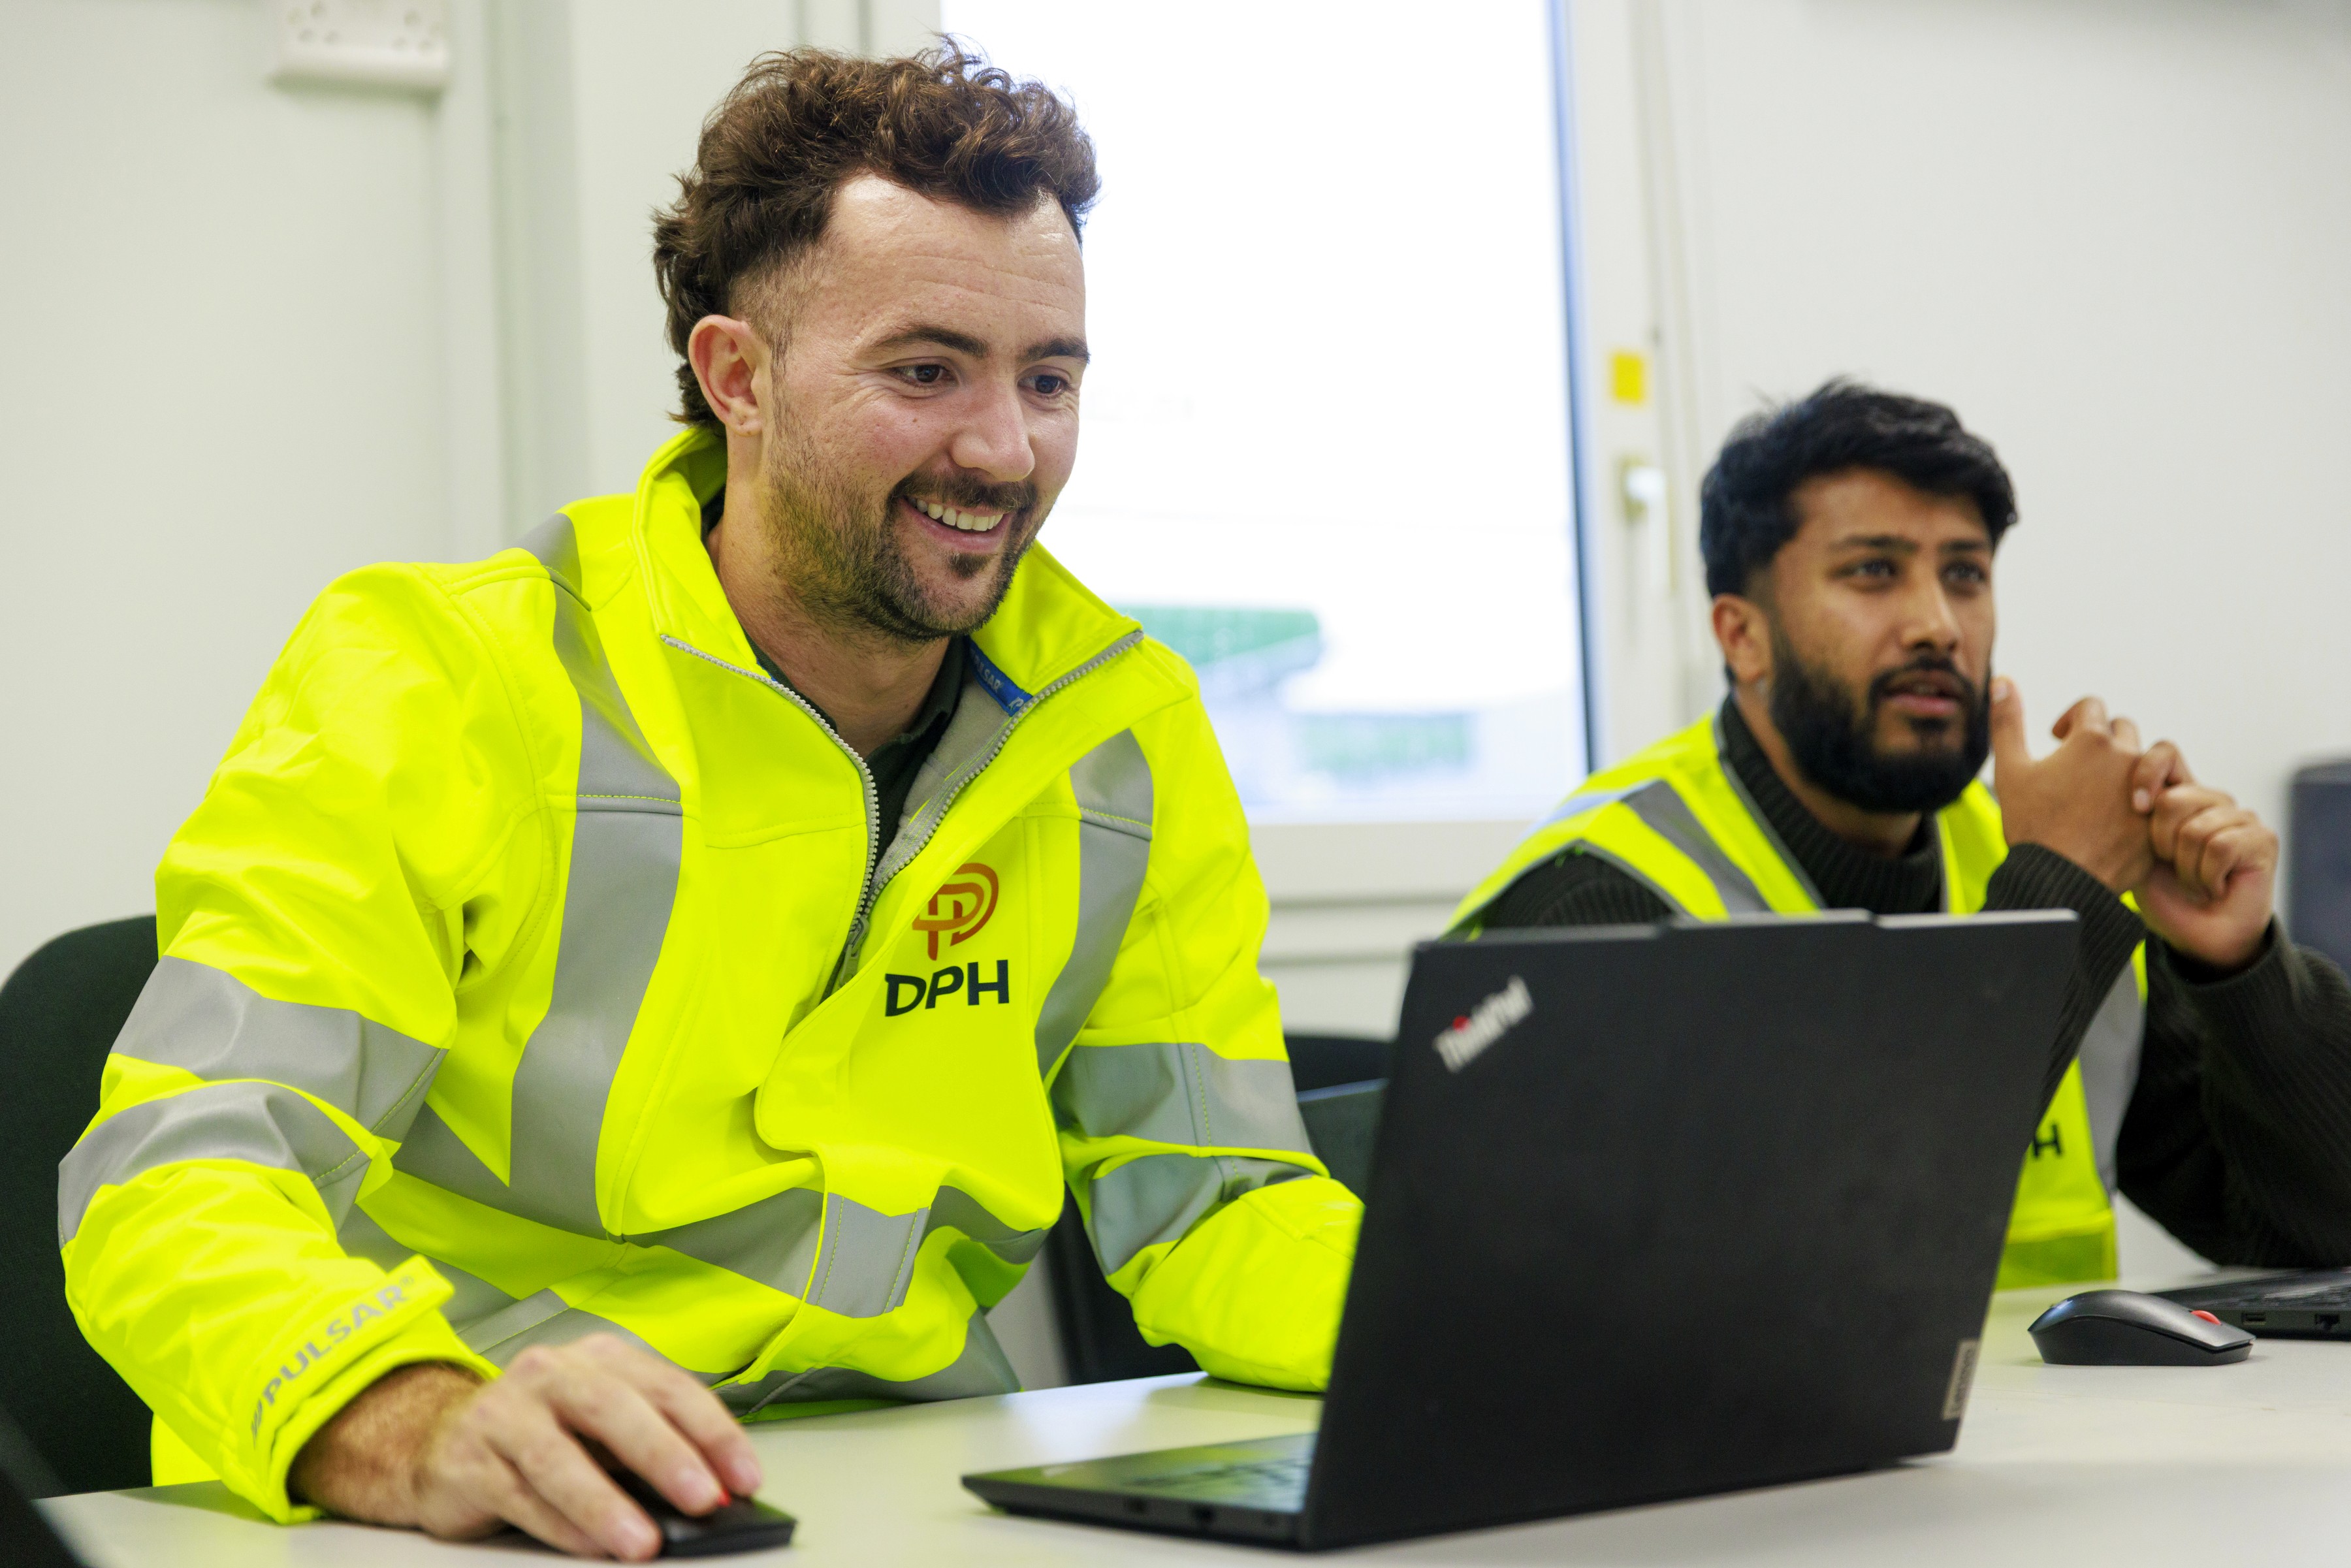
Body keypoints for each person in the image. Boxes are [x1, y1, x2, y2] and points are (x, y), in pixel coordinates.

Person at [58, 48, 1357, 1561]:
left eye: (1048, 379)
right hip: (473, 1506)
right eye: (926, 370)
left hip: (909, 1498)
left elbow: (1213, 1202)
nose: (1004, 449)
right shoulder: (443, 674)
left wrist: (1506, 1315)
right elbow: (182, 1172)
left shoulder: (1122, 738)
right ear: (738, 376)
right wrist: (405, 1411)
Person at [1454, 380, 2351, 1287]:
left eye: (1964, 573)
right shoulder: (1599, 899)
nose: (1937, 625)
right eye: (1873, 570)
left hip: (2064, 1430)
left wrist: (2242, 971)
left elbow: (2324, 1230)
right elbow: (1787, 1280)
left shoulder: (2030, 864)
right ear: (1743, 636)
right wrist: (2062, 896)